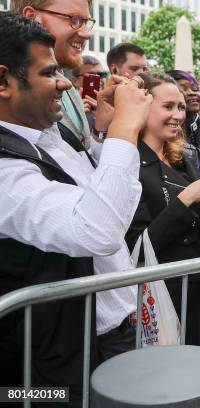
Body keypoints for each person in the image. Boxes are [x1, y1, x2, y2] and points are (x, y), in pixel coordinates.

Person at [0, 12, 151, 406]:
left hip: (109, 330)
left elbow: (110, 202)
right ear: (3, 81)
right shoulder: (4, 167)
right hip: (48, 369)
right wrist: (125, 130)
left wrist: (107, 131)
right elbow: (95, 231)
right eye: (49, 73)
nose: (65, 82)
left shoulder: (53, 131)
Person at [124, 72, 200, 347]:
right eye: (168, 106)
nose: (177, 115)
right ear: (144, 107)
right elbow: (137, 245)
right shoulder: (128, 162)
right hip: (159, 293)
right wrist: (184, 201)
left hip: (195, 289)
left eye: (182, 107)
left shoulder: (183, 158)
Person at [16, 0, 95, 149]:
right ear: (31, 17)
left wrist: (101, 130)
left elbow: (83, 161)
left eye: (87, 22)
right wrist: (124, 128)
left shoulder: (69, 88)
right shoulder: (17, 98)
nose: (86, 34)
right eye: (75, 20)